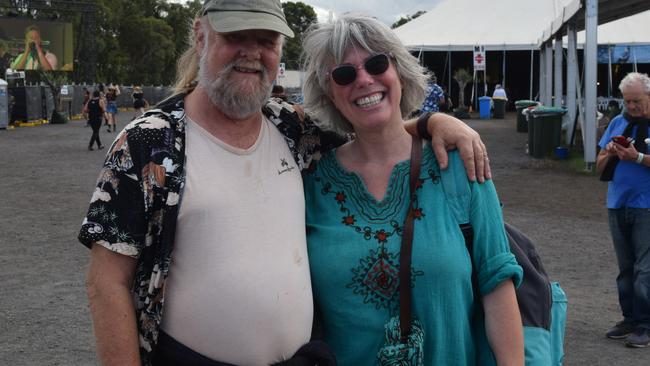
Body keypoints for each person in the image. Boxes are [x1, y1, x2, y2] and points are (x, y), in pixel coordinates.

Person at [78, 1, 490, 365]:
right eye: (237, 35)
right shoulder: (149, 142)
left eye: (267, 40)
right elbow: (106, 282)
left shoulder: (292, 127)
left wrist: (432, 122)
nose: (252, 53)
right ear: (201, 35)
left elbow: (373, 134)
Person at [301, 15, 524, 365]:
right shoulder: (311, 186)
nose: (363, 80)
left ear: (400, 72)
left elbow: (497, 283)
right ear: (329, 92)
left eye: (376, 63)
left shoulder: (459, 166)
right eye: (344, 74)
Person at [597, 72, 650, 348]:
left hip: (646, 206)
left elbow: (640, 159)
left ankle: (645, 324)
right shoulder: (619, 122)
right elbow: (598, 164)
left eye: (637, 101)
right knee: (625, 268)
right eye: (627, 101)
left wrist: (637, 157)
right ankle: (629, 318)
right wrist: (609, 152)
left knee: (645, 269)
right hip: (617, 203)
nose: (631, 107)